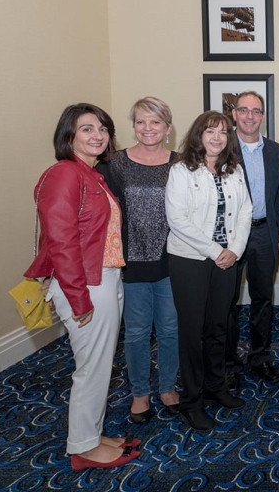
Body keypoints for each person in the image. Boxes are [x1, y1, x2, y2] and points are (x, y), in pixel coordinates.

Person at [24, 103, 140, 470]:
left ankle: (91, 434)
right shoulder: (64, 175)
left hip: (104, 277)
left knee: (100, 364)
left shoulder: (90, 174)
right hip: (86, 284)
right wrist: (79, 298)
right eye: (87, 129)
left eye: (102, 128)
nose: (98, 135)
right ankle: (84, 448)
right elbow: (61, 242)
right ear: (68, 135)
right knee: (91, 367)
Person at [166, 111, 252, 431]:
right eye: (210, 131)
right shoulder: (181, 171)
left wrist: (235, 250)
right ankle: (191, 401)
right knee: (192, 332)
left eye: (224, 132)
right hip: (191, 260)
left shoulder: (234, 169)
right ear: (198, 135)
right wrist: (217, 251)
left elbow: (245, 210)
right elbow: (178, 220)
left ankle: (216, 387)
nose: (217, 138)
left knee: (219, 326)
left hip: (228, 259)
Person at [98, 97, 180, 425]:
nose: (148, 129)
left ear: (168, 128)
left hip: (172, 259)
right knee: (135, 332)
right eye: (141, 122)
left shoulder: (181, 163)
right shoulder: (114, 165)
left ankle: (168, 387)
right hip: (130, 263)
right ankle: (140, 392)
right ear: (133, 126)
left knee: (171, 328)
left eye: (155, 122)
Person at [225, 91, 279, 389]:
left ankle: (259, 357)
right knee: (228, 301)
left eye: (256, 111)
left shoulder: (276, 151)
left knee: (263, 299)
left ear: (263, 115)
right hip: (229, 237)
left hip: (264, 233)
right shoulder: (220, 148)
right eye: (244, 110)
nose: (250, 116)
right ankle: (228, 362)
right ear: (234, 114)